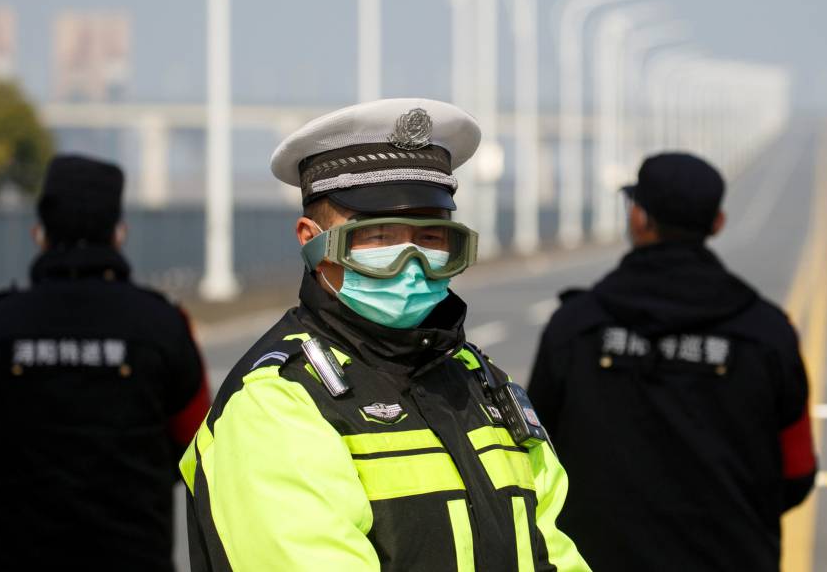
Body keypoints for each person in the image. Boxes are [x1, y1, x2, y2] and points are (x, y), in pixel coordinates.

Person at [181, 98, 589, 572]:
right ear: (311, 240)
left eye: (432, 240)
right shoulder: (278, 403)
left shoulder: (482, 385)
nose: (410, 263)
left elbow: (555, 551)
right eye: (378, 239)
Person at [528, 153, 817, 571]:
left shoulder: (575, 328)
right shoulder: (767, 333)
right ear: (717, 223)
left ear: (640, 218)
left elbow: (537, 458)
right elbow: (798, 471)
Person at [0, 155, 210, 572]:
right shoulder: (162, 324)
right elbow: (195, 440)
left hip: (23, 555)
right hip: (135, 554)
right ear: (118, 233)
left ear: (40, 235)